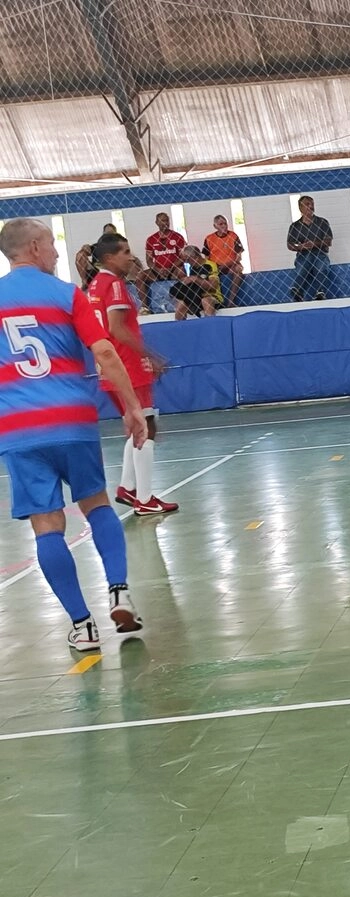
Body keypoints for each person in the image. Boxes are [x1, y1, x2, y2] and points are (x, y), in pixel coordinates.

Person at [0, 218, 148, 652]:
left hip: (19, 426)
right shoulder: (67, 294)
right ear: (33, 247)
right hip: (72, 419)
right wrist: (132, 407)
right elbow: (104, 351)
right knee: (96, 503)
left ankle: (82, 625)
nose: (56, 252)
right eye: (51, 243)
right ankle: (119, 592)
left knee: (46, 525)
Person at [87, 233, 179, 517]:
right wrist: (151, 355)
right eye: (125, 252)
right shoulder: (114, 285)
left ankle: (128, 487)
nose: (131, 257)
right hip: (126, 365)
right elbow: (117, 329)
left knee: (137, 424)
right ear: (109, 258)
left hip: (110, 366)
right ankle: (145, 498)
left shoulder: (95, 285)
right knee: (146, 426)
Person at [138, 212, 187, 315]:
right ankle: (144, 307)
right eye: (162, 221)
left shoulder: (177, 237)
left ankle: (186, 303)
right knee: (140, 276)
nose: (165, 223)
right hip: (157, 271)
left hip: (173, 269)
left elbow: (183, 257)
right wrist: (157, 269)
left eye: (167, 220)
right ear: (157, 222)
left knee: (182, 272)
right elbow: (149, 260)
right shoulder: (151, 239)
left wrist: (171, 267)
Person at [287, 195, 333, 301]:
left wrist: (314, 244)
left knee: (320, 266)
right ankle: (298, 292)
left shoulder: (322, 222)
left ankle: (319, 292)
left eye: (312, 204)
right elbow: (290, 245)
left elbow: (328, 241)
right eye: (307, 204)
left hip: (320, 252)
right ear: (300, 208)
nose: (310, 206)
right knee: (303, 265)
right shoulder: (295, 226)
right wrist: (301, 246)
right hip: (303, 253)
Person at [202, 215, 245, 306]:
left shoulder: (233, 236)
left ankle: (231, 300)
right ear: (215, 226)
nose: (224, 226)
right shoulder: (209, 238)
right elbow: (206, 258)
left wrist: (226, 265)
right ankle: (213, 300)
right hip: (215, 266)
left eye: (225, 224)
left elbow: (238, 257)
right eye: (221, 224)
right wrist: (214, 268)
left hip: (231, 265)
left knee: (239, 269)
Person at [170, 245, 219, 320]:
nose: (187, 262)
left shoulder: (210, 265)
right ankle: (179, 326)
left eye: (187, 260)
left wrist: (195, 279)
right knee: (181, 304)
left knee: (206, 301)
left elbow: (213, 286)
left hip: (211, 295)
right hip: (195, 296)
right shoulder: (191, 267)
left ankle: (210, 325)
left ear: (195, 257)